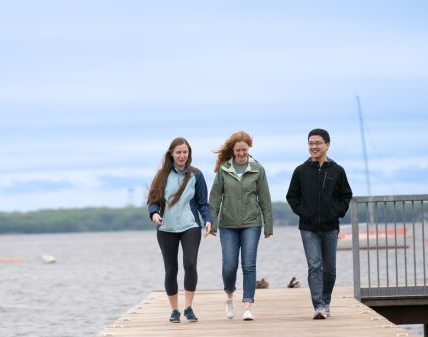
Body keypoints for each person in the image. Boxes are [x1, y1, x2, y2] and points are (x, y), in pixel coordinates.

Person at [286, 128, 353, 319]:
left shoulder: (337, 171)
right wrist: (304, 213)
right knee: (315, 265)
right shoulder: (301, 171)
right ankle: (319, 306)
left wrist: (337, 212)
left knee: (329, 269)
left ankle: (326, 300)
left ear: (327, 145)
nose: (313, 147)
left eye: (317, 143)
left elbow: (346, 195)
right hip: (308, 227)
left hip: (330, 226)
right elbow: (292, 196)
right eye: (310, 143)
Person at [209, 131, 273, 321]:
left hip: (251, 224)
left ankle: (247, 306)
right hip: (227, 224)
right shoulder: (224, 170)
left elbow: (265, 199)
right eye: (238, 150)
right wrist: (212, 223)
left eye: (244, 150)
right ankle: (229, 297)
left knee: (249, 265)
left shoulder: (257, 169)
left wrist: (268, 226)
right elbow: (214, 198)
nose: (241, 153)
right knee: (229, 266)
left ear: (249, 149)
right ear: (233, 150)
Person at [148, 137, 212, 323]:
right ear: (171, 154)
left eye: (185, 152)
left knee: (190, 265)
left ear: (189, 153)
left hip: (190, 226)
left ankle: (189, 307)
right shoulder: (161, 176)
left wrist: (208, 220)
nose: (182, 155)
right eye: (178, 152)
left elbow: (202, 203)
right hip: (166, 228)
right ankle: (174, 310)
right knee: (171, 269)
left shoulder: (196, 175)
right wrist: (154, 214)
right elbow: (153, 201)